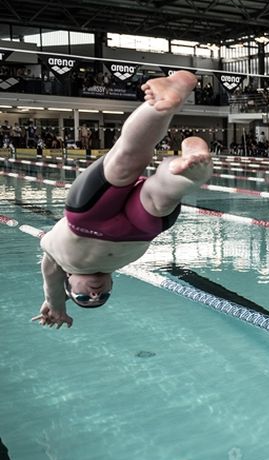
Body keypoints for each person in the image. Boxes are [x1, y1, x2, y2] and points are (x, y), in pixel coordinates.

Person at [33, 71, 212, 328]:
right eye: (103, 296)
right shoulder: (118, 262)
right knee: (163, 196)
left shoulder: (58, 262)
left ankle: (163, 102)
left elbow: (49, 277)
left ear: (68, 282)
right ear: (112, 284)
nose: (95, 293)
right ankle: (192, 162)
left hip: (88, 215)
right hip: (137, 230)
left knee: (127, 160)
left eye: (83, 297)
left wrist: (56, 304)